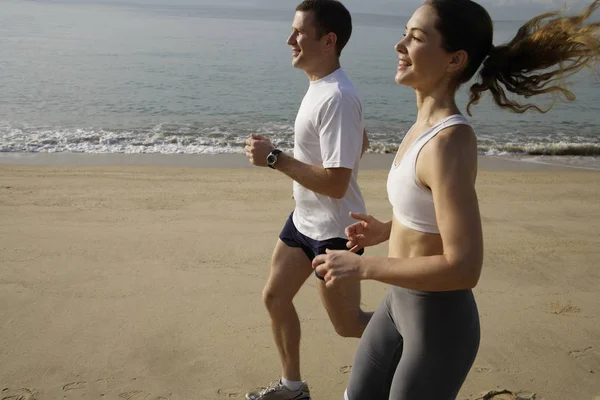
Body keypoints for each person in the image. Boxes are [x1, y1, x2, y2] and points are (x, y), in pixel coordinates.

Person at [312, 0, 600, 399]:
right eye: (404, 33)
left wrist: (365, 269)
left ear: (454, 60)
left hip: (438, 325)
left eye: (415, 38)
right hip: (396, 307)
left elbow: (464, 268)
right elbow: (433, 216)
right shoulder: (422, 127)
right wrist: (387, 230)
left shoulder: (449, 141)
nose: (399, 45)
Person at [243, 1, 371, 399]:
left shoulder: (337, 97)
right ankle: (292, 388)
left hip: (335, 233)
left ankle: (419, 327)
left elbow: (336, 183)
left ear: (328, 40)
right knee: (275, 296)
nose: (289, 39)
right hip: (303, 223)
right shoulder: (321, 88)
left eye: (299, 32)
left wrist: (274, 159)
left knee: (349, 325)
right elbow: (360, 142)